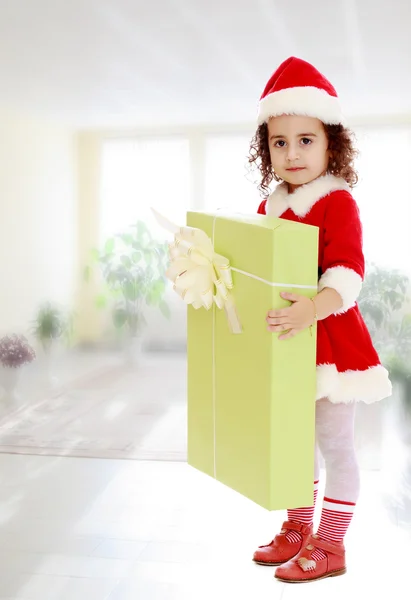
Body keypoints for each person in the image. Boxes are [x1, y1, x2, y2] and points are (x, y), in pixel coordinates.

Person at [248, 57, 392, 583]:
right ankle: (297, 526)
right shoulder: (273, 203)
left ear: (332, 143)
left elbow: (348, 275)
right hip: (289, 341)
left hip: (329, 340)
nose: (292, 153)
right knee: (291, 439)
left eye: (306, 140)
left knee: (334, 442)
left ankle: (330, 544)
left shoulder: (336, 201)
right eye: (279, 142)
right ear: (267, 149)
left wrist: (312, 305)